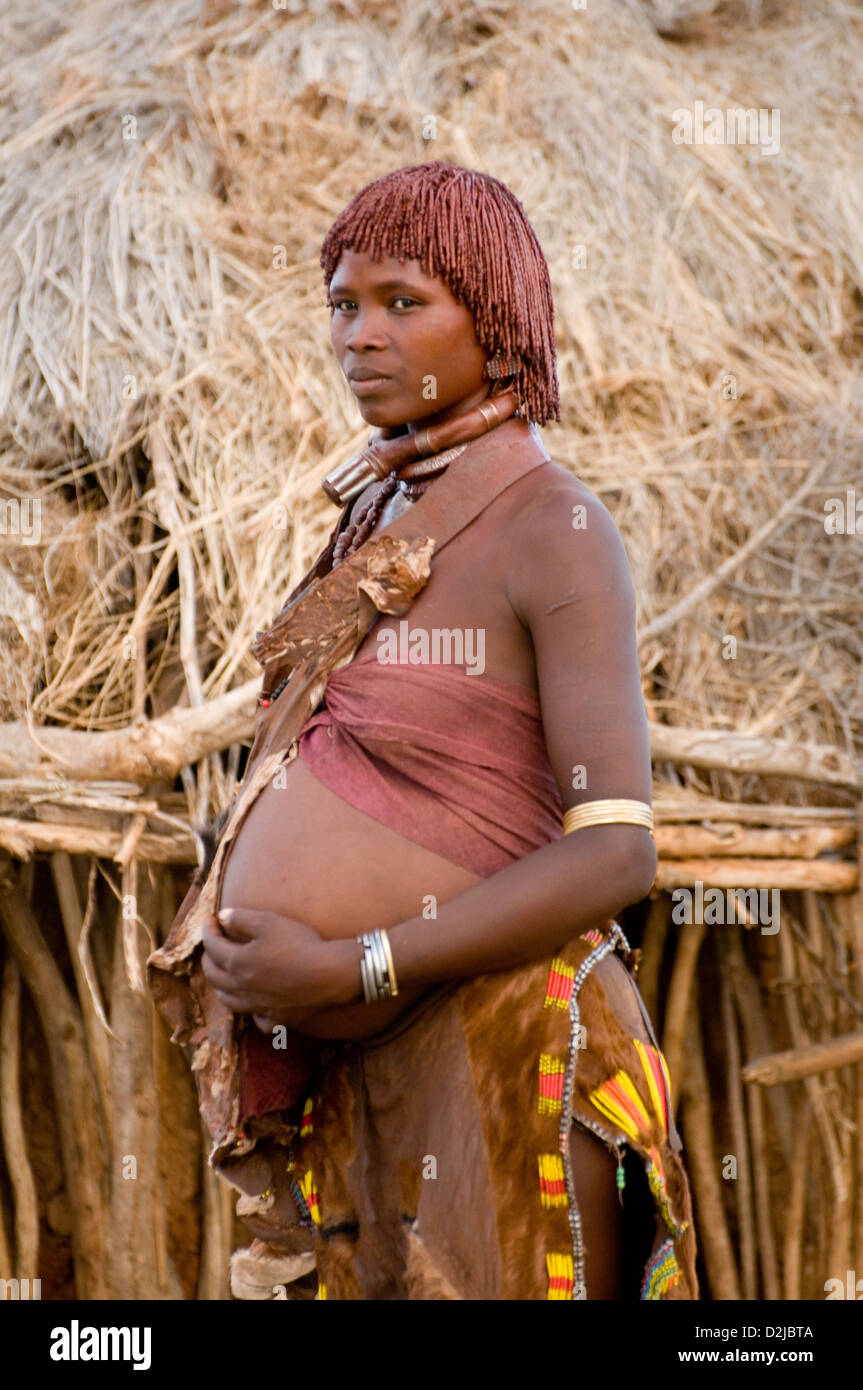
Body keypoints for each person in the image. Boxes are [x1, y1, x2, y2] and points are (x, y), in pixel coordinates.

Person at [148, 161, 698, 1301]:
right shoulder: (376, 510)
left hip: (510, 1041)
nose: (361, 335)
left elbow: (616, 851)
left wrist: (360, 956)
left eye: (405, 303)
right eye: (344, 304)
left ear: (496, 327)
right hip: (371, 1060)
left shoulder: (555, 526)